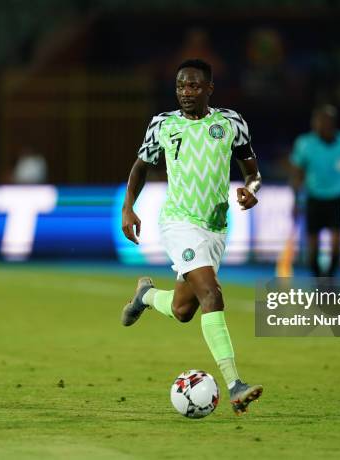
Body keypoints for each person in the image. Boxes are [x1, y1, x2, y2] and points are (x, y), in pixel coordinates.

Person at [120, 59, 263, 414]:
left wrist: (251, 188)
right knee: (211, 292)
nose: (187, 93)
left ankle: (146, 296)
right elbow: (141, 166)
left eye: (195, 86)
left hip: (215, 228)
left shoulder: (230, 123)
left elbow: (253, 172)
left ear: (209, 89)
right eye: (182, 86)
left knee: (184, 310)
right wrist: (128, 207)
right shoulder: (163, 125)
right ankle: (235, 384)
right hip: (178, 222)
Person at [289, 104, 340, 277]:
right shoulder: (305, 144)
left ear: (332, 123)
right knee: (313, 247)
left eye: (323, 121)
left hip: (335, 199)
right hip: (314, 198)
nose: (319, 125)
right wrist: (296, 201)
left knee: (336, 244)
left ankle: (329, 278)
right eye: (317, 121)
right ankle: (318, 279)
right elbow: (297, 174)